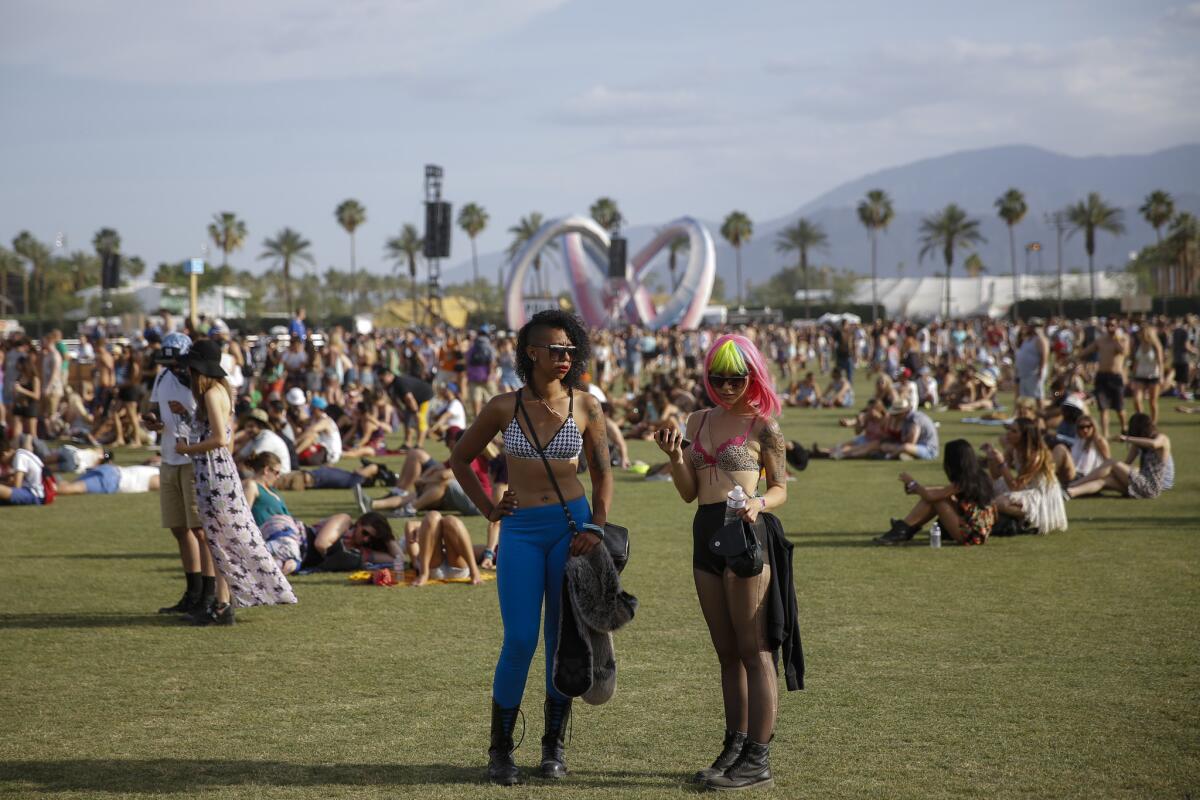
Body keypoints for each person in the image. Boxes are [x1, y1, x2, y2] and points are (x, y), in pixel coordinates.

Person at [447, 309, 613, 786]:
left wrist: (597, 528)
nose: (565, 358)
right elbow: (460, 459)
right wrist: (488, 509)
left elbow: (602, 474)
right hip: (520, 532)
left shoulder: (587, 406)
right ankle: (500, 751)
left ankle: (553, 747)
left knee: (561, 641)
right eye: (555, 350)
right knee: (519, 639)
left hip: (572, 530)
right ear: (531, 353)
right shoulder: (504, 407)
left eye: (570, 349)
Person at [654, 333, 791, 791]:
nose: (728, 387)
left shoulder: (764, 425)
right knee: (726, 653)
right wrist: (675, 455)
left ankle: (758, 756)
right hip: (705, 530)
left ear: (752, 376)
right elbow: (690, 491)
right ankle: (733, 746)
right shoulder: (697, 419)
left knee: (755, 650)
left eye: (737, 378)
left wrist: (758, 504)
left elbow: (781, 488)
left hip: (745, 532)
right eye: (719, 378)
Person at [175, 339, 297, 626]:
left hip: (214, 473)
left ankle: (223, 604)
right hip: (217, 472)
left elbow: (220, 438)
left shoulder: (210, 394)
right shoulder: (221, 390)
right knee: (222, 540)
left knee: (223, 540)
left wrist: (185, 450)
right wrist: (183, 414)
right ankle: (222, 603)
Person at [142, 333, 217, 616]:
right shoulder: (162, 377)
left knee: (200, 529)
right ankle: (193, 591)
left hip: (193, 460)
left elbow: (210, 422)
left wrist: (184, 413)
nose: (172, 366)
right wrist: (153, 422)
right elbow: (154, 411)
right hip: (169, 458)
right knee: (178, 528)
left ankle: (208, 595)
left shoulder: (201, 381)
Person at [874, 439, 996, 545]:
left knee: (937, 500)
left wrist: (913, 484)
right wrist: (918, 490)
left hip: (971, 536)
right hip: (975, 530)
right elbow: (942, 490)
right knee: (936, 497)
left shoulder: (966, 481)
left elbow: (933, 496)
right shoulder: (976, 476)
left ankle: (903, 529)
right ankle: (905, 528)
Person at [984, 418, 1067, 534]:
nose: (1008, 433)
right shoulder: (1014, 448)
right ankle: (1016, 519)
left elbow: (1015, 487)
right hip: (1025, 487)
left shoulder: (1036, 455)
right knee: (988, 487)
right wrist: (991, 459)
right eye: (1009, 430)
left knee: (1000, 502)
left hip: (1040, 494)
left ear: (1024, 436)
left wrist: (1002, 463)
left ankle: (1032, 518)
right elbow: (996, 475)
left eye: (1014, 431)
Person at [1067, 413, 1174, 499]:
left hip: (1151, 487)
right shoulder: (1138, 445)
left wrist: (1126, 439)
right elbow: (1126, 464)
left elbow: (1154, 444)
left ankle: (1074, 484)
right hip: (1139, 484)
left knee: (1112, 462)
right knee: (1104, 480)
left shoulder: (1163, 439)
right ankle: (1070, 492)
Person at [1077, 318, 1129, 439]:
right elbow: (1086, 351)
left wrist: (1115, 338)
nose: (1110, 327)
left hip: (1116, 376)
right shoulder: (1101, 340)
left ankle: (1124, 428)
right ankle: (1105, 434)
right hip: (1102, 376)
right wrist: (1076, 354)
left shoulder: (1123, 339)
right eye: (1108, 325)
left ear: (1117, 326)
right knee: (1103, 407)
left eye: (1112, 325)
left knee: (1120, 408)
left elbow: (1124, 352)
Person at [1130, 322, 1164, 424]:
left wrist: (1161, 376)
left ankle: (1153, 423)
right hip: (1140, 375)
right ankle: (1142, 420)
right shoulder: (1137, 345)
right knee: (1137, 399)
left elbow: (1160, 362)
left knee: (1152, 402)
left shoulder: (1155, 346)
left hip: (1153, 375)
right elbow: (1135, 362)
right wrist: (1132, 376)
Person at [0, 434, 46, 506]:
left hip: (33, 495)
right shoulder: (21, 453)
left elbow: (17, 486)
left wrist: (3, 484)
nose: (2, 463)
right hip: (36, 493)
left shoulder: (19, 458)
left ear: (4, 454)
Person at [56, 463, 160, 495]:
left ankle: (46, 482)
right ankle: (42, 491)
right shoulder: (159, 476)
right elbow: (159, 483)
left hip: (112, 469)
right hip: (114, 480)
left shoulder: (154, 468)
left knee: (68, 485)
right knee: (71, 488)